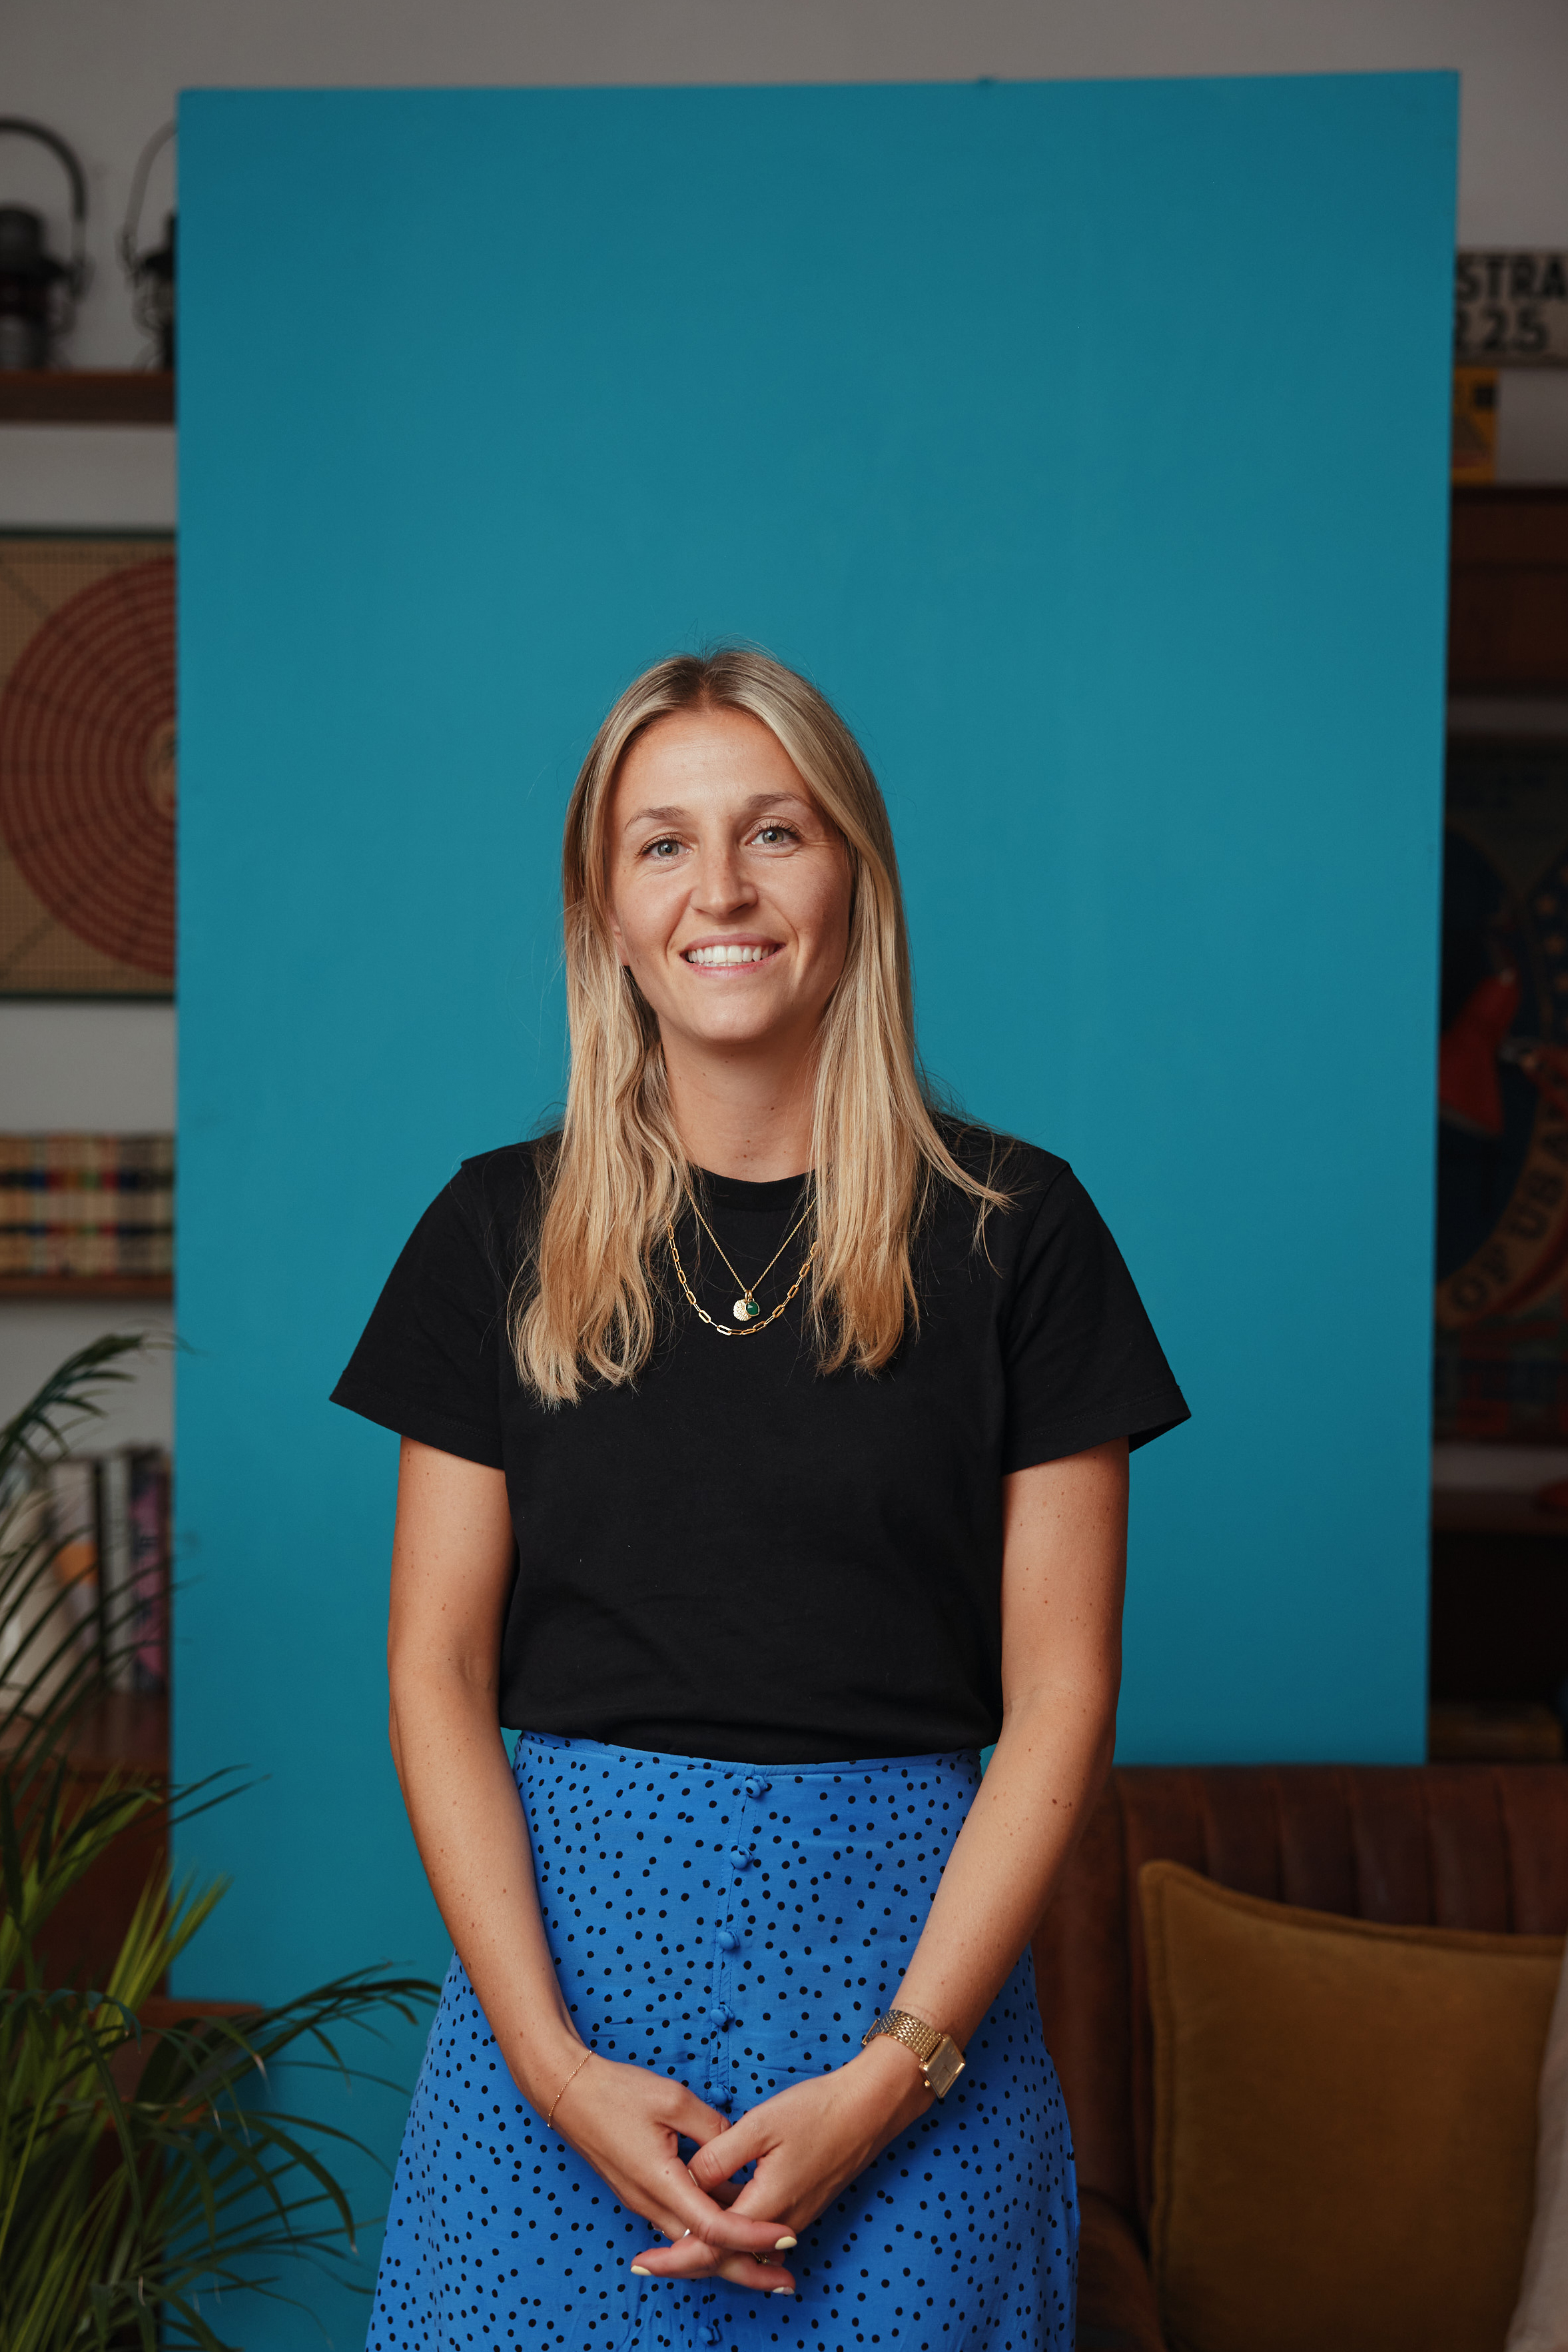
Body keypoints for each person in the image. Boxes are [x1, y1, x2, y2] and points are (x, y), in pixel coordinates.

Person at [332, 647, 1188, 2351]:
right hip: (556, 2040)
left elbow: (1061, 1694)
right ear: (606, 907)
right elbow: (434, 1669)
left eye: (773, 832)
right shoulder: (490, 1230)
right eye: (662, 843)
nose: (718, 889)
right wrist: (551, 2069)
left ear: (854, 876)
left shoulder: (1023, 1233)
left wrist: (892, 2076)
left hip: (909, 2036)